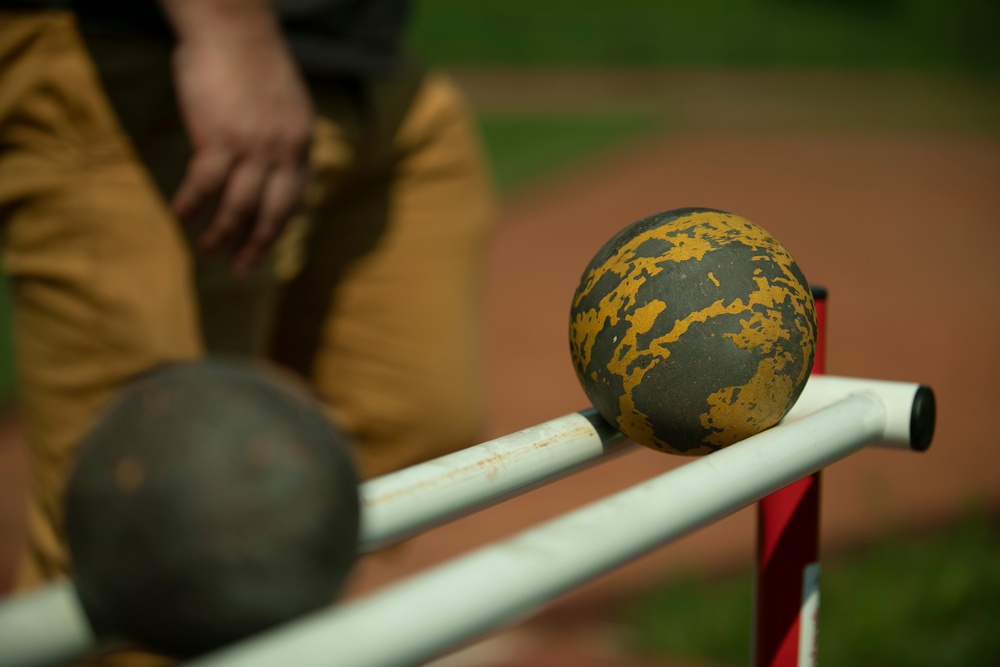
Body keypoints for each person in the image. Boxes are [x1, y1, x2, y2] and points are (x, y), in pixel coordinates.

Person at [0, 0, 496, 660]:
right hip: (143, 54)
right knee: (153, 528)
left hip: (364, 61)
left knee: (411, 423)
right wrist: (227, 30)